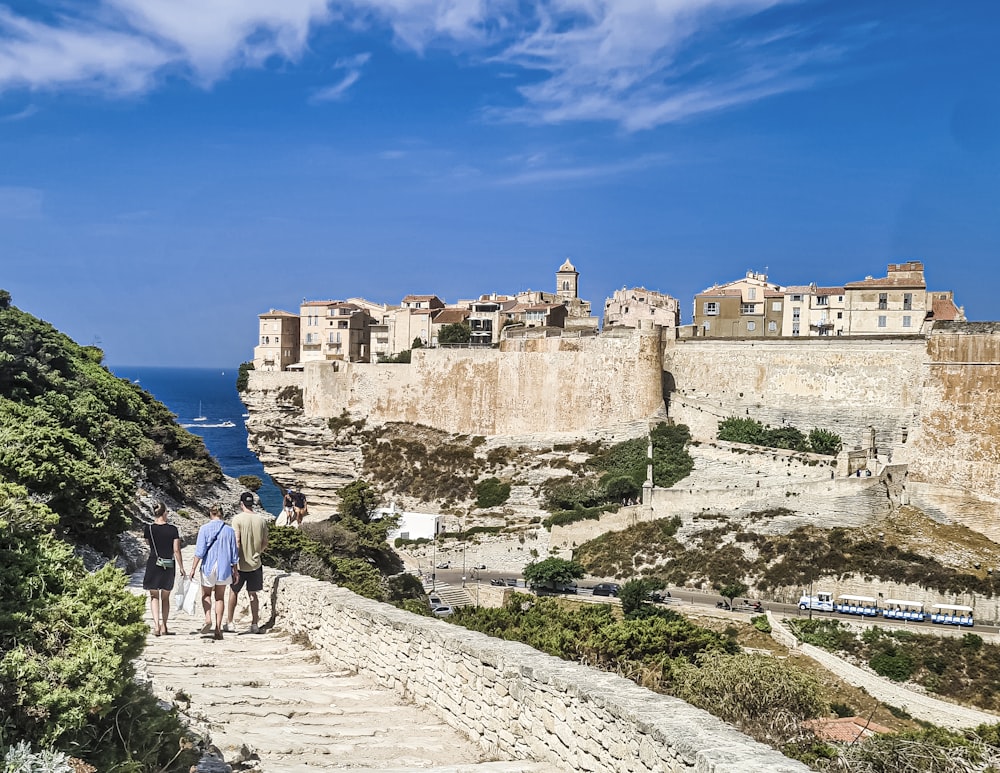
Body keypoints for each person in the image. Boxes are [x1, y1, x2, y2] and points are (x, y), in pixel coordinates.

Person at [189, 504, 239, 640]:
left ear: (210, 514)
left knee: (206, 594)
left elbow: (199, 552)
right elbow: (234, 553)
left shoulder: (204, 529)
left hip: (208, 566)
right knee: (220, 597)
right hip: (224, 567)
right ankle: (218, 628)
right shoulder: (229, 531)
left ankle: (207, 619)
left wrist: (193, 568)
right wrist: (235, 570)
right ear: (222, 514)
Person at [226, 492, 269, 634]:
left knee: (234, 591)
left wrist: (234, 561)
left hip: (240, 564)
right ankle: (255, 623)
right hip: (255, 563)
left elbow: (236, 541)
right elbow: (265, 542)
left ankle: (230, 622)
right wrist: (257, 553)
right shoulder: (261, 521)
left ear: (241, 504)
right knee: (253, 594)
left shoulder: (237, 519)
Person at [142, 501, 185, 636]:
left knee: (154, 596)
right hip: (168, 564)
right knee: (165, 597)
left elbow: (148, 544)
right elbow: (176, 550)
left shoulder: (148, 529)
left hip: (154, 562)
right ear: (165, 512)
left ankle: (156, 625)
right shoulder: (173, 529)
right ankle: (164, 626)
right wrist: (182, 567)